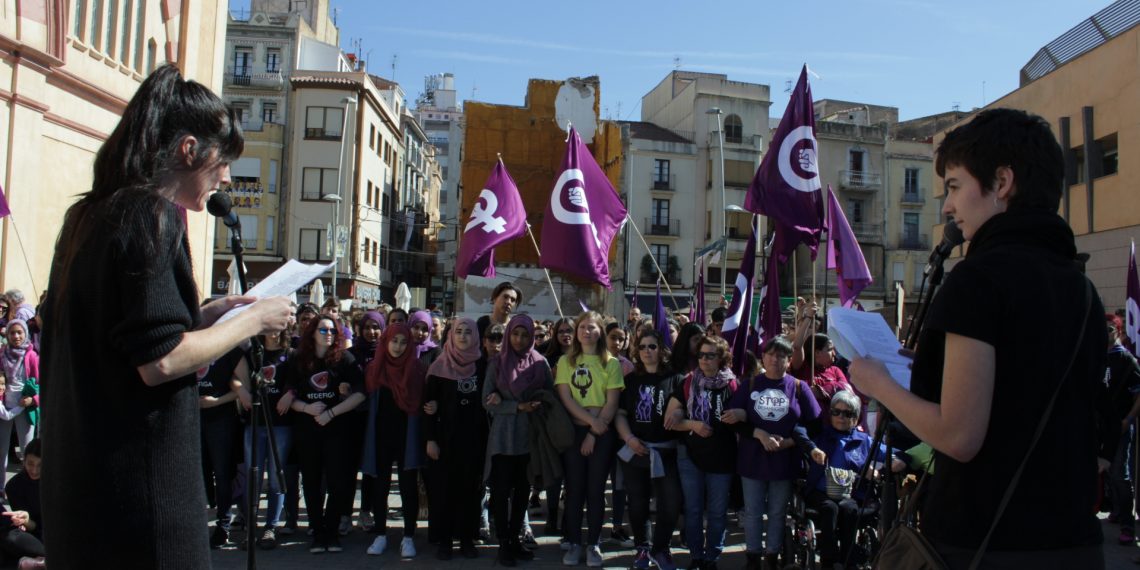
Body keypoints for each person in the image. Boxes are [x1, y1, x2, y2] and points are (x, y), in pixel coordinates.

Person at [39, 64, 295, 568]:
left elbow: (123, 340)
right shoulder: (151, 215)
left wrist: (205, 316)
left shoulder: (87, 216)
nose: (226, 177)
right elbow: (157, 363)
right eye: (223, 161)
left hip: (83, 494)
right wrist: (253, 319)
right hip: (141, 500)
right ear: (187, 149)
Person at [848, 108, 1107, 568]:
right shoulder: (1081, 288)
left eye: (954, 186)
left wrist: (879, 384)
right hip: (1074, 541)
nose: (947, 206)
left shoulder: (978, 280)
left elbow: (959, 434)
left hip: (986, 541)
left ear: (1002, 182)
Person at [723, 336, 821, 570]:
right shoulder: (749, 385)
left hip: (785, 461)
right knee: (753, 513)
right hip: (752, 460)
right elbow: (732, 420)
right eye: (771, 355)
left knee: (777, 513)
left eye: (781, 356)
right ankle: (753, 557)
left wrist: (789, 442)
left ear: (789, 360)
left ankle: (772, 555)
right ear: (763, 357)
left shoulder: (798, 387)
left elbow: (816, 424)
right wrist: (758, 434)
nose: (775, 360)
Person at [284, 316, 365, 553]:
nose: (328, 333)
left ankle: (332, 532)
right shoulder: (299, 360)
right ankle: (317, 532)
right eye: (323, 329)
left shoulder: (345, 359)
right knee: (310, 481)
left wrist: (332, 413)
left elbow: (360, 393)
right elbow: (290, 394)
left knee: (337, 482)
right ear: (312, 333)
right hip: (307, 430)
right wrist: (306, 408)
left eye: (332, 330)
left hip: (338, 429)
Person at [555, 311, 625, 568]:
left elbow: (612, 401)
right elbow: (566, 398)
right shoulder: (566, 361)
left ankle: (594, 543)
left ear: (600, 332)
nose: (587, 331)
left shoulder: (612, 363)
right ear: (576, 332)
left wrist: (595, 432)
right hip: (574, 433)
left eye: (592, 327)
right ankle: (574, 542)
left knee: (595, 491)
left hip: (602, 434)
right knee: (574, 491)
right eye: (582, 326)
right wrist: (589, 421)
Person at [801, 391, 900, 569]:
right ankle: (828, 560)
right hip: (821, 492)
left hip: (851, 493)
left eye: (847, 413)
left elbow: (890, 452)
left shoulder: (863, 441)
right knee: (830, 508)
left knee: (849, 509)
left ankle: (848, 559)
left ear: (856, 417)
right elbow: (799, 439)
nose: (840, 417)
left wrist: (899, 460)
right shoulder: (820, 436)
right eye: (836, 412)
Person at [484, 314, 553, 567]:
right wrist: (517, 406)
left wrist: (530, 404)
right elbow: (486, 400)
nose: (520, 339)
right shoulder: (497, 364)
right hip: (503, 438)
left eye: (525, 335)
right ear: (508, 334)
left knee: (523, 493)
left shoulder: (540, 363)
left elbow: (549, 397)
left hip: (530, 438)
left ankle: (515, 539)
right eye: (515, 334)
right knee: (501, 493)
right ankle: (503, 542)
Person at [666, 334, 738, 570]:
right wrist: (690, 423)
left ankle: (712, 557)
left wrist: (739, 415)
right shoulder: (688, 382)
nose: (705, 360)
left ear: (722, 358)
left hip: (722, 455)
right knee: (694, 509)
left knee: (717, 512)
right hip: (691, 454)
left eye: (711, 355)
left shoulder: (733, 384)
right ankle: (696, 556)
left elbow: (744, 417)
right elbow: (671, 417)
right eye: (701, 355)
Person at [615, 330, 683, 570]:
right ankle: (642, 549)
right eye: (642, 346)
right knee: (637, 503)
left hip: (666, 452)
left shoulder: (676, 379)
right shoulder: (631, 380)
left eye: (652, 346)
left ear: (662, 350)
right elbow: (620, 415)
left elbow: (684, 408)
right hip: (636, 451)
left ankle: (661, 549)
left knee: (671, 502)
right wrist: (629, 438)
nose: (646, 351)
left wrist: (678, 413)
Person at [423, 318, 487, 560]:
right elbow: (427, 407)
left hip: (474, 440)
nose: (462, 336)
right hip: (444, 440)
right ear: (450, 335)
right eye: (458, 331)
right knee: (444, 492)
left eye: (467, 332)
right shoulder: (439, 367)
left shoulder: (482, 365)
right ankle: (445, 540)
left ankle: (468, 540)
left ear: (475, 337)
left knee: (470, 492)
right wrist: (430, 439)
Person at [363, 323, 426, 559]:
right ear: (386, 341)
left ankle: (408, 536)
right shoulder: (375, 368)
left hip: (407, 436)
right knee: (380, 486)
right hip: (380, 437)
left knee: (408, 487)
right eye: (394, 340)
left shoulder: (416, 368)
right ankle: (380, 533)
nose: (398, 346)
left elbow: (422, 402)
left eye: (403, 341)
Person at [234, 329, 295, 550]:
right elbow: (235, 376)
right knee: (254, 476)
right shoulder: (252, 352)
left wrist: (291, 393)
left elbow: (299, 380)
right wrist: (241, 391)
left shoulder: (291, 353)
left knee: (277, 477)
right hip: (254, 421)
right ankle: (251, 528)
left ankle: (271, 526)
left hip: (280, 424)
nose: (273, 331)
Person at [197, 345, 245, 547]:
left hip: (221, 420)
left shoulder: (231, 348)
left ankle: (223, 526)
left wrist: (215, 401)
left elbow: (243, 389)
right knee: (197, 474)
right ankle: (197, 525)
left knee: (222, 473)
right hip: (191, 418)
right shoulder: (190, 340)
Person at [1097, 321, 1140, 545]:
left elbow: (1138, 394)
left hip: (1120, 428)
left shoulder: (1127, 360)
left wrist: (1128, 420)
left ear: (1118, 332)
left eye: (1109, 330)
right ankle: (1114, 510)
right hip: (1100, 428)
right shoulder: (1097, 357)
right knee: (1105, 471)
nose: (1105, 334)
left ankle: (1127, 525)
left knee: (1120, 475)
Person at [0, 320, 36, 484]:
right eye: (12, 332)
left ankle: (27, 487)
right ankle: (1, 487)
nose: (16, 336)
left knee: (27, 450)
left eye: (19, 332)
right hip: (5, 407)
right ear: (7, 335)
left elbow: (42, 384)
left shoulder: (32, 356)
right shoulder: (2, 354)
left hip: (25, 407)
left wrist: (33, 399)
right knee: (2, 450)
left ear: (25, 334)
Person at [5, 438, 41, 540]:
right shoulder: (14, 486)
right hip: (35, 534)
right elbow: (34, 528)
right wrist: (26, 521)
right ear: (23, 461)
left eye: (40, 465)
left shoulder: (58, 483)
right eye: (30, 464)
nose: (34, 470)